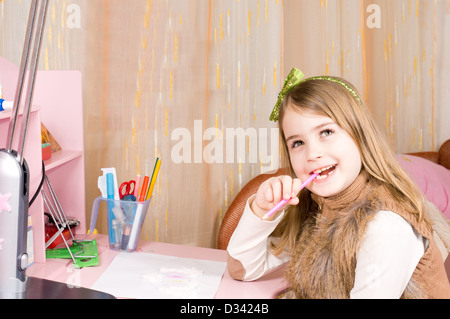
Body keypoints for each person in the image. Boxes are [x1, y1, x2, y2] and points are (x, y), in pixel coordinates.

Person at [226, 68, 450, 298]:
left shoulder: (386, 223)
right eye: (298, 143)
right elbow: (241, 269)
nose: (312, 153)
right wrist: (261, 210)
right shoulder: (317, 206)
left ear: (360, 135)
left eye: (326, 132)